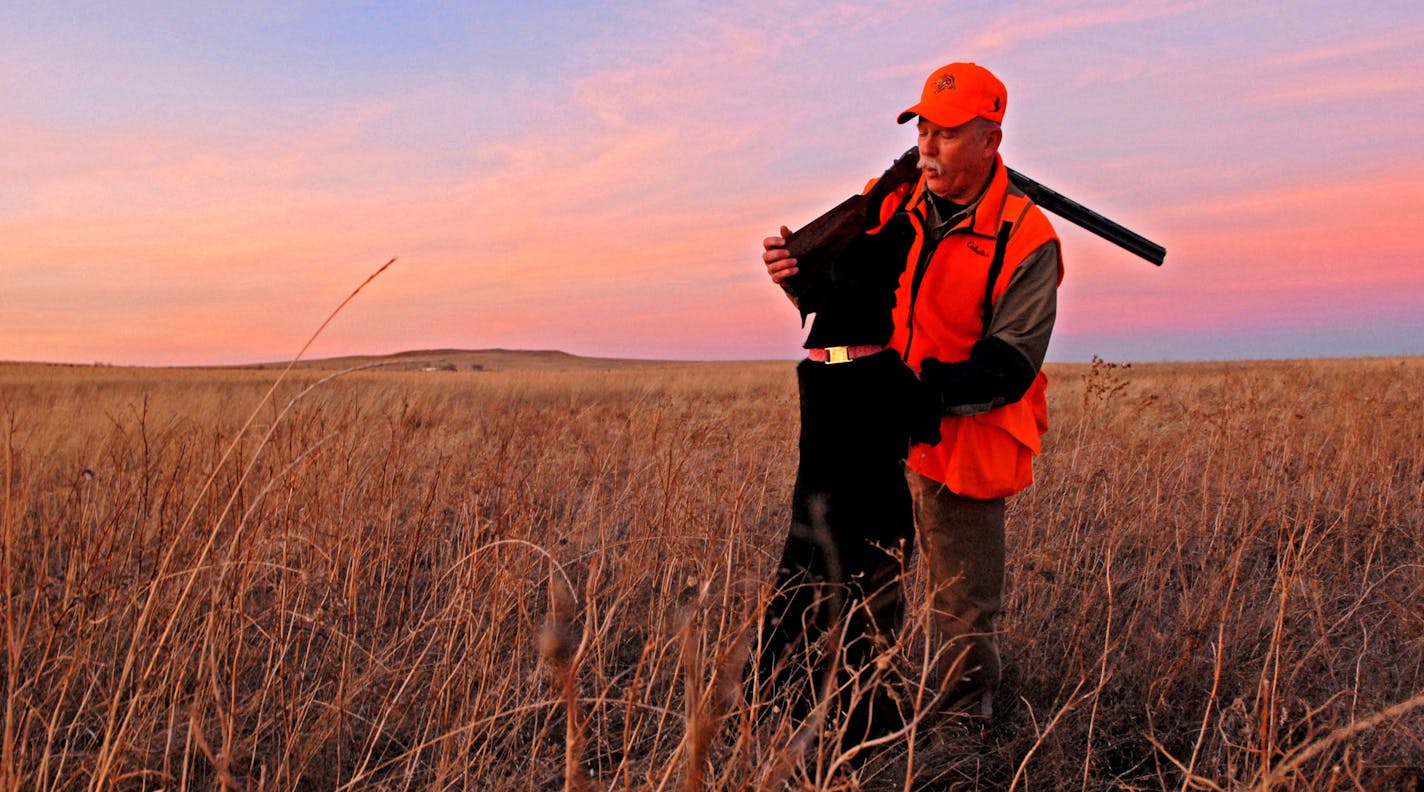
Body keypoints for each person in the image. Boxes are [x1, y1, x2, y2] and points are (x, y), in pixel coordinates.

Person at [757, 61, 1063, 726]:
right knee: (869, 581)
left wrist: (905, 396)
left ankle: (962, 733)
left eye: (948, 133)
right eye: (923, 128)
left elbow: (1010, 363)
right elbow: (839, 305)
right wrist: (791, 275)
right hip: (876, 429)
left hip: (968, 433)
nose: (927, 145)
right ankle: (862, 716)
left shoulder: (1028, 237)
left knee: (963, 602)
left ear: (991, 142)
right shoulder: (887, 200)